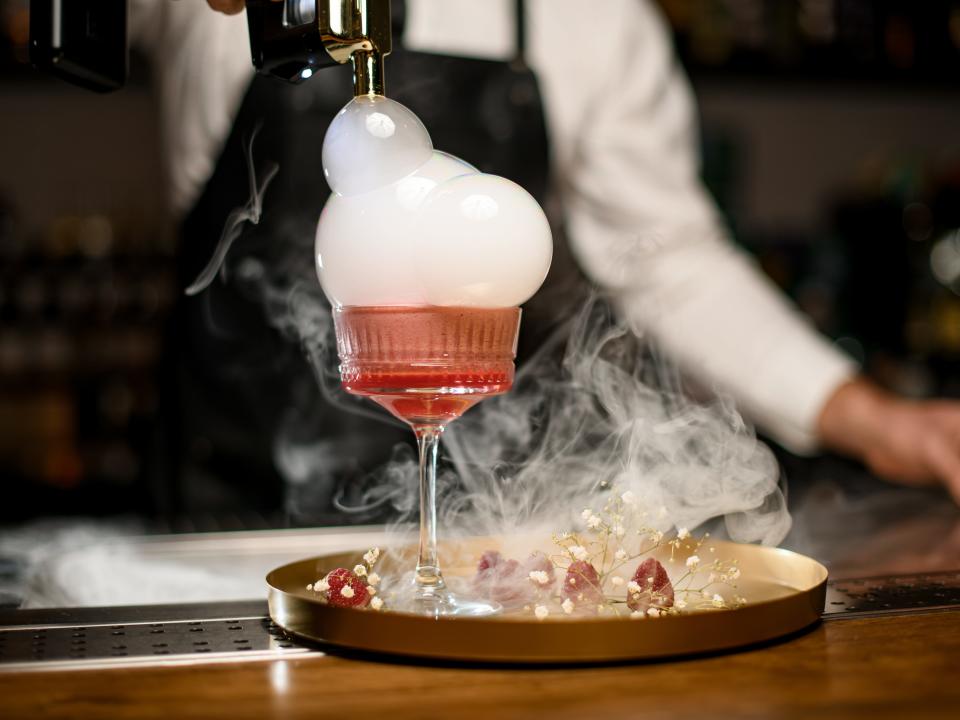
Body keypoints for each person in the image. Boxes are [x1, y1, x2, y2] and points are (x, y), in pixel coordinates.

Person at [133, 0, 960, 509]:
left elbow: (666, 259)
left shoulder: (591, 15)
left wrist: (872, 417)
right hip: (224, 515)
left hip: (485, 508)